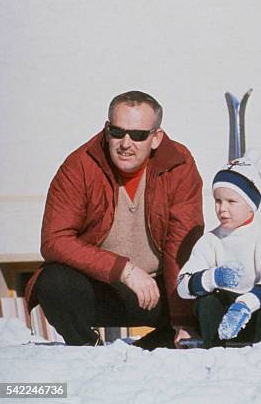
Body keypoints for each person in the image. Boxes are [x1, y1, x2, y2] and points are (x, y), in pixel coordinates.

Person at [25, 91, 204, 348]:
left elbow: (182, 244)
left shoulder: (178, 164)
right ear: (108, 130)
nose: (126, 143)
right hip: (103, 286)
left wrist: (184, 320)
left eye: (139, 135)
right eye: (118, 132)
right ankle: (90, 349)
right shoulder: (80, 165)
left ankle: (154, 347)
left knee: (212, 290)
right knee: (52, 282)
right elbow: (55, 239)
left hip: (160, 289)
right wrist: (124, 269)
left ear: (156, 138)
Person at [177, 151, 261, 348]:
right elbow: (182, 284)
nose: (222, 208)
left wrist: (245, 304)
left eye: (231, 202)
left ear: (251, 205)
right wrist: (213, 278)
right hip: (224, 315)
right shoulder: (211, 240)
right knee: (207, 302)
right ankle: (216, 349)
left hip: (256, 309)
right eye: (218, 201)